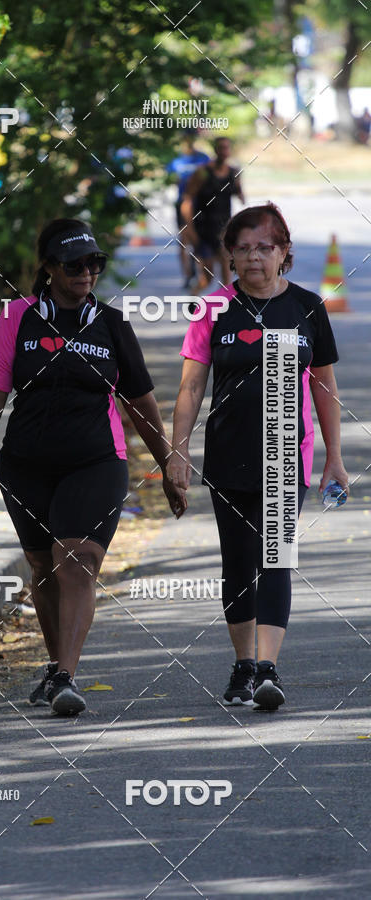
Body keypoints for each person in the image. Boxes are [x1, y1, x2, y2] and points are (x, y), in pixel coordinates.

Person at [0, 218, 178, 716]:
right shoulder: (19, 318)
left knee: (76, 560)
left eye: (94, 263)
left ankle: (66, 676)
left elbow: (140, 404)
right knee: (42, 567)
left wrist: (169, 466)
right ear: (49, 268)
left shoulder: (113, 326)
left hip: (96, 460)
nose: (86, 273)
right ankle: (57, 669)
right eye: (74, 264)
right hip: (26, 464)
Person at [166, 203, 349, 711]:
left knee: (276, 558)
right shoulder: (213, 310)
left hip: (286, 453)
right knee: (238, 562)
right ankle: (243, 664)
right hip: (227, 453)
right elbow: (190, 387)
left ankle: (267, 668)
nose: (253, 258)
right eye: (242, 249)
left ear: (283, 252)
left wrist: (334, 458)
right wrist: (176, 453)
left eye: (264, 247)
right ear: (229, 256)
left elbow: (325, 389)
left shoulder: (308, 308)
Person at [181, 136, 245, 293]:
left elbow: (241, 196)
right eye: (221, 148)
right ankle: (194, 305)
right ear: (215, 150)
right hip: (203, 230)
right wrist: (189, 230)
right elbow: (187, 201)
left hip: (224, 231)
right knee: (207, 279)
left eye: (227, 148)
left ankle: (225, 313)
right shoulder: (203, 173)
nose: (224, 151)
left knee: (227, 278)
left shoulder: (233, 173)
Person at [166, 134, 209, 287]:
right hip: (182, 203)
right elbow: (169, 178)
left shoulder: (203, 158)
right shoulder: (176, 160)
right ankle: (187, 274)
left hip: (200, 204)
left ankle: (201, 273)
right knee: (183, 240)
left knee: (199, 239)